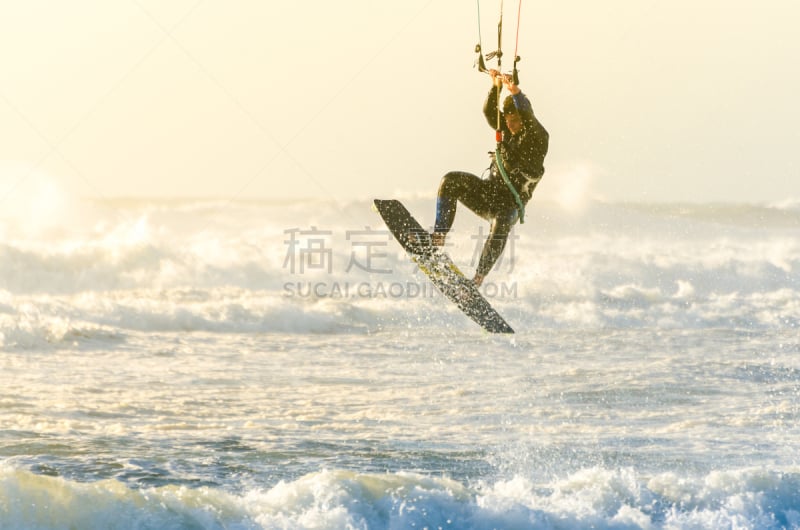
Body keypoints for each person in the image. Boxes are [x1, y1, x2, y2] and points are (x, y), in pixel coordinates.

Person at [431, 69, 549, 287]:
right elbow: (488, 112)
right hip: (489, 192)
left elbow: (529, 118)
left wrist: (516, 92)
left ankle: (477, 278)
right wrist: (495, 86)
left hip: (510, 204)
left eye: (515, 121)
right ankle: (438, 236)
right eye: (508, 121)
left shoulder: (537, 137)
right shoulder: (505, 128)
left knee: (501, 223)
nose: (511, 126)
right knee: (450, 181)